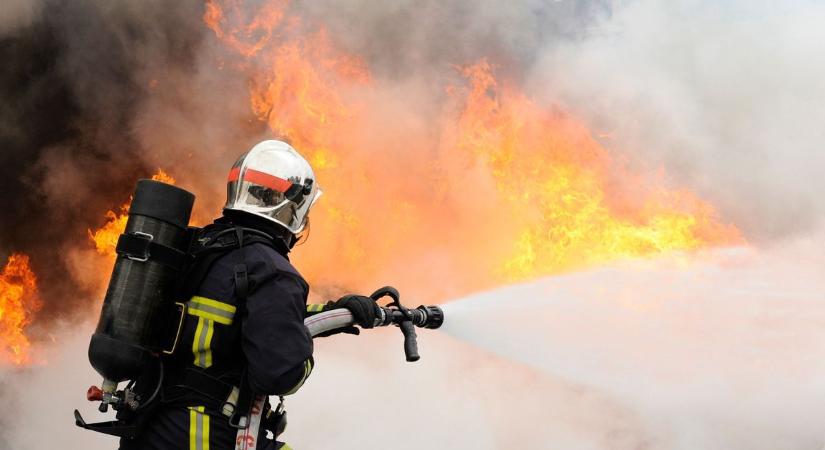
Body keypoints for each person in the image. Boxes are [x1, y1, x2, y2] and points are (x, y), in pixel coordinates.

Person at [120, 140, 379, 450]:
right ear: (290, 207)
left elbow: (247, 318)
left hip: (150, 426)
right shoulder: (272, 271)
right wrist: (303, 348)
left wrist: (336, 311)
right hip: (203, 435)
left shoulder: (200, 245)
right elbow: (282, 374)